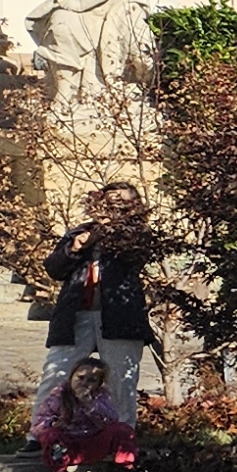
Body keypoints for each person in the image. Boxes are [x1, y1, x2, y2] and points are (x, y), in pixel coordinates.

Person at [40, 183, 155, 437]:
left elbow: (137, 256)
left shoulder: (138, 236)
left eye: (121, 204)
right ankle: (41, 434)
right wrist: (75, 248)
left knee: (120, 381)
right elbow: (54, 269)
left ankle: (122, 436)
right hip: (75, 316)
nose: (114, 209)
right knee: (56, 374)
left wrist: (110, 232)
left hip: (120, 318)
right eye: (109, 203)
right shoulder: (80, 233)